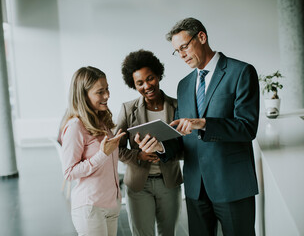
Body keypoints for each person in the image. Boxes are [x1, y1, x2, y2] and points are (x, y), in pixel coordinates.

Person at [136, 18, 260, 235]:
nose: (182, 55)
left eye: (184, 47)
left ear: (202, 37)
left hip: (232, 185)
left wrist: (204, 123)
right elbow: (183, 137)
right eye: (177, 51)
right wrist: (159, 147)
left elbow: (247, 127)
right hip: (196, 188)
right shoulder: (184, 85)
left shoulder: (241, 72)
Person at [115, 49, 183, 236]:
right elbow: (116, 149)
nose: (147, 86)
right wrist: (139, 155)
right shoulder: (128, 110)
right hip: (139, 187)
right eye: (140, 83)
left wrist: (164, 151)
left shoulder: (178, 106)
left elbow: (187, 147)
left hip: (169, 183)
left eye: (150, 78)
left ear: (158, 75)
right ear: (133, 85)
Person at [58, 66, 126, 236]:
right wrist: (102, 155)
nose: (107, 96)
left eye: (107, 89)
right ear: (83, 95)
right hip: (90, 207)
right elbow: (69, 172)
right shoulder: (75, 126)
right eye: (100, 92)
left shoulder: (102, 122)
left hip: (111, 204)